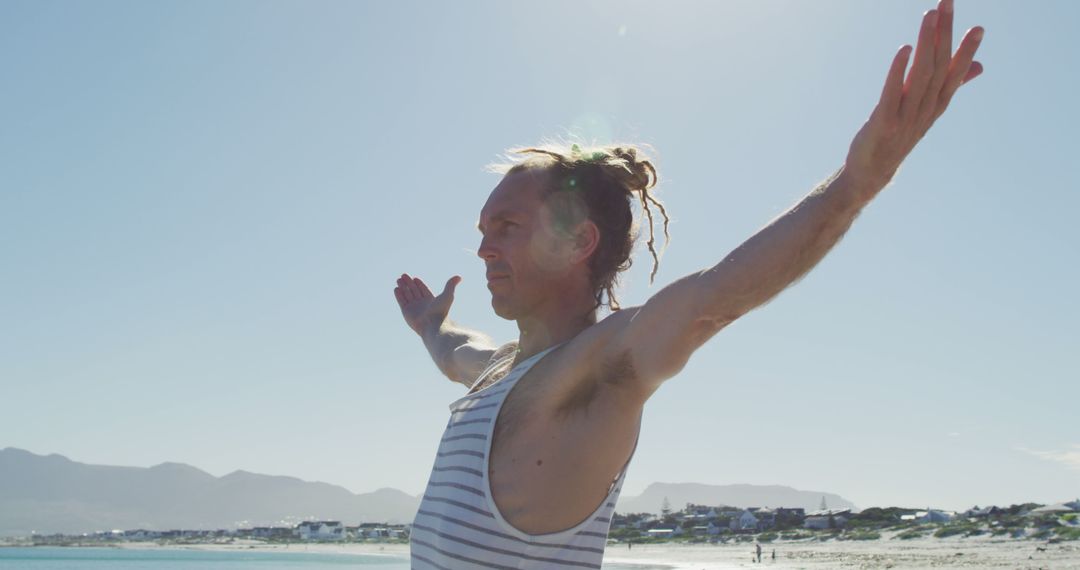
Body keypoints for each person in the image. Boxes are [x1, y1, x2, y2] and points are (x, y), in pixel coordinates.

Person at [396, 1, 984, 567]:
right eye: (482, 229)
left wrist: (855, 184)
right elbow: (454, 353)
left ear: (579, 242)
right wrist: (431, 326)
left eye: (507, 226)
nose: (483, 248)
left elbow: (713, 298)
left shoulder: (601, 369)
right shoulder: (500, 372)